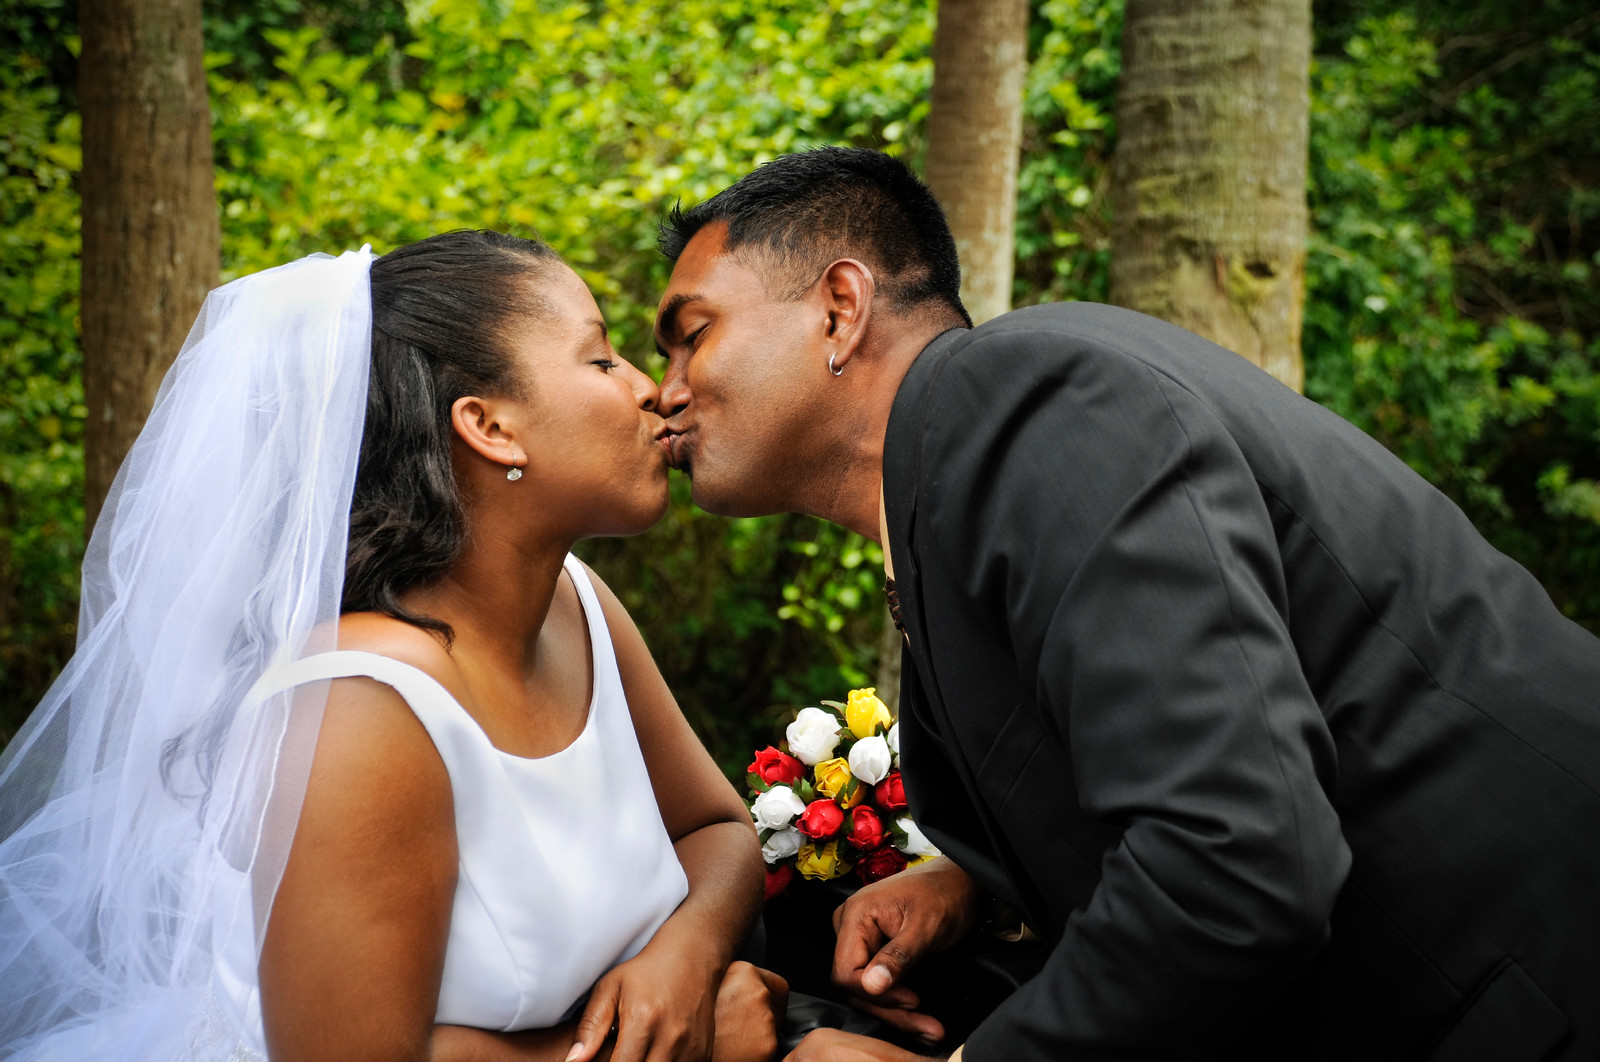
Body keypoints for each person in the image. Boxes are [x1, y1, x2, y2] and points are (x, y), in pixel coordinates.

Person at [650, 147, 1600, 1061]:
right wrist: (979, 884)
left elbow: (1239, 861)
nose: (666, 393)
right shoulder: (953, 485)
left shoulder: (1017, 397)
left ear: (840, 309)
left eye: (692, 335)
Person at [0, 231, 784, 1062]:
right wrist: (678, 1052)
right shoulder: (359, 708)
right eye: (600, 361)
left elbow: (717, 829)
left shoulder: (577, 604)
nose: (649, 391)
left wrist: (686, 961)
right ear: (488, 426)